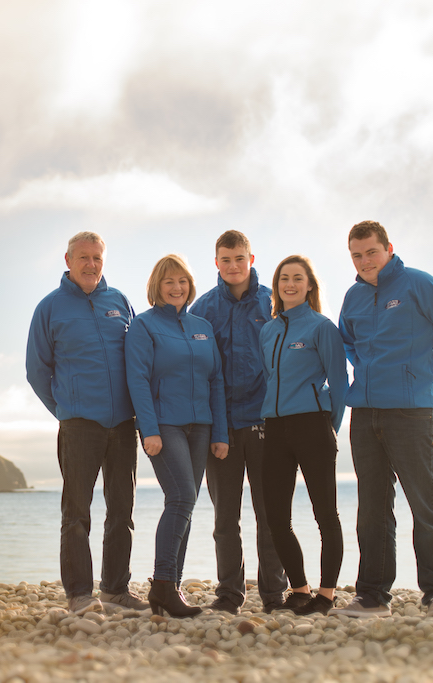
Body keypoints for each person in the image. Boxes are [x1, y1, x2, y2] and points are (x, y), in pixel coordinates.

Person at [330, 221, 433, 621]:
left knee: (423, 503)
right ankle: (373, 596)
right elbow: (346, 341)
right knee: (372, 507)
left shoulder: (419, 284)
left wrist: (428, 377)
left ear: (388, 249)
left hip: (411, 412)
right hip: (365, 413)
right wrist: (364, 373)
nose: (364, 261)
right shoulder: (354, 296)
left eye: (371, 252)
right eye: (356, 255)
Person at [26, 232, 149, 615]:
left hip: (123, 424)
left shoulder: (120, 302)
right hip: (79, 424)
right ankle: (79, 593)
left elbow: (138, 359)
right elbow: (36, 370)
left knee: (122, 510)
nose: (91, 264)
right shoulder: (50, 308)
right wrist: (66, 409)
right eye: (83, 257)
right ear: (67, 260)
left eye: (97, 257)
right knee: (77, 512)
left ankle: (115, 589)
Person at [125, 254, 229, 617]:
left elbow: (216, 379)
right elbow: (137, 379)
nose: (177, 287)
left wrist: (221, 432)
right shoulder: (144, 326)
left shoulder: (202, 326)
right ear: (157, 285)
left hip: (201, 426)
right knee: (182, 496)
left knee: (185, 503)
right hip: (165, 425)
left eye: (182, 281)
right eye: (169, 281)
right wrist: (148, 430)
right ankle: (163, 585)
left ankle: (172, 589)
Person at [191, 231, 288, 615]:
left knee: (270, 514)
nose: (233, 266)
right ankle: (229, 593)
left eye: (240, 258)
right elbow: (196, 368)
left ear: (251, 258)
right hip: (222, 429)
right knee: (225, 517)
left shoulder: (273, 302)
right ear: (216, 262)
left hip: (266, 424)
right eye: (226, 259)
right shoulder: (203, 309)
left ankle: (274, 594)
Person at [259, 255, 349, 616]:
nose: (290, 284)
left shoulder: (321, 327)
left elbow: (339, 383)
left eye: (298, 278)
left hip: (313, 425)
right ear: (277, 286)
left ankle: (326, 595)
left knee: (325, 514)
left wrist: (331, 427)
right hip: (275, 428)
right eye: (284, 278)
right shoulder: (269, 330)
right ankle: (299, 589)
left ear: (310, 285)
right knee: (276, 517)